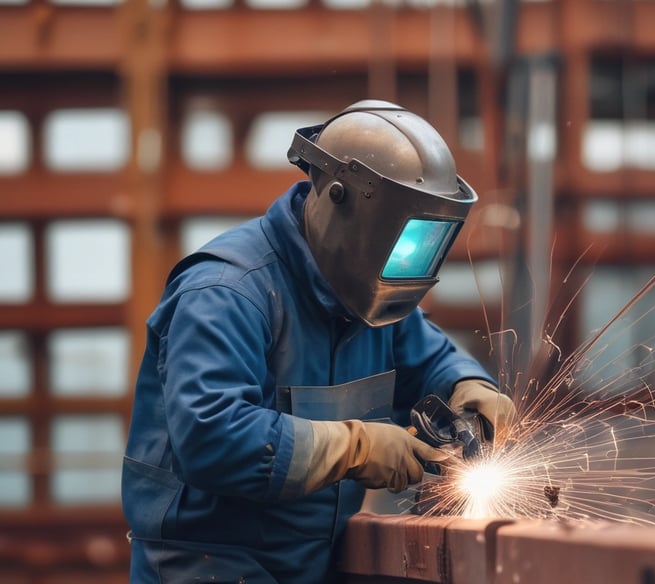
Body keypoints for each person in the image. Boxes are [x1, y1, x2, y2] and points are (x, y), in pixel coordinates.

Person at [121, 99, 515, 583]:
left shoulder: (370, 301)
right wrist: (355, 448)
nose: (406, 261)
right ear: (337, 199)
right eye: (402, 239)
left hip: (313, 560)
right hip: (206, 563)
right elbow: (211, 436)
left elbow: (431, 360)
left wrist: (471, 388)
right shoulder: (227, 293)